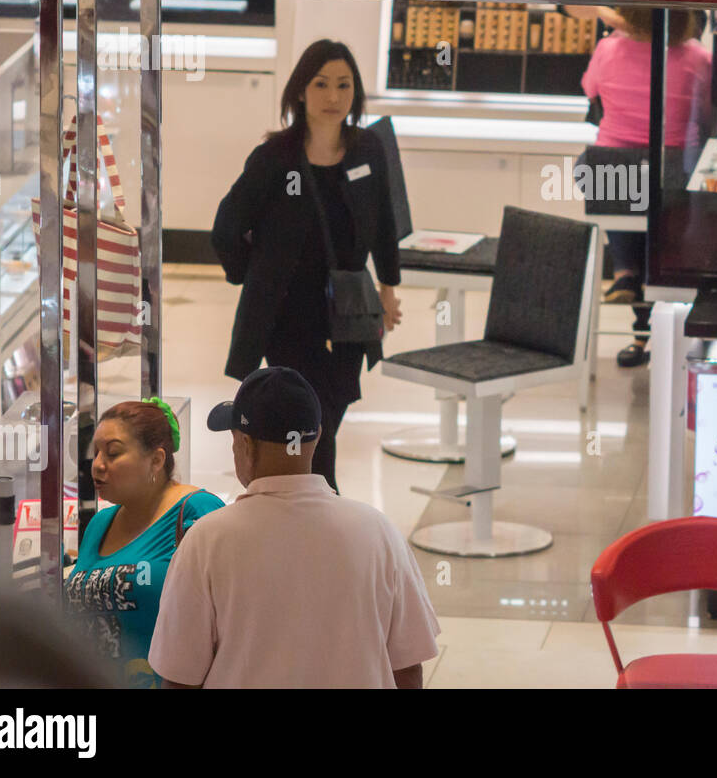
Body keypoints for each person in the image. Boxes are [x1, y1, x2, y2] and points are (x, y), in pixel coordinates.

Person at [149, 367, 441, 688]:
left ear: (244, 443)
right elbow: (408, 669)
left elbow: (179, 679)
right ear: (315, 436)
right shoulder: (379, 533)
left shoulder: (206, 542)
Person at [212, 39, 403, 493]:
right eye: (321, 85)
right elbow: (226, 227)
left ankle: (312, 505)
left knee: (330, 413)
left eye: (344, 85)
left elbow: (385, 223)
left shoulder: (368, 150)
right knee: (314, 421)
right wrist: (253, 274)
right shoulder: (275, 159)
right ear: (300, 91)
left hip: (348, 316)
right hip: (288, 318)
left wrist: (389, 288)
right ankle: (325, 504)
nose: (334, 97)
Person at [580, 7, 711, 367]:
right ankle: (659, 333)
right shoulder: (699, 58)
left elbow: (590, 90)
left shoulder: (608, 49)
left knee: (620, 208)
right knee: (662, 245)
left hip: (610, 172)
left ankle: (625, 274)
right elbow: (707, 111)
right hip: (674, 174)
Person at [64, 399, 223, 688]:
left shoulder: (197, 510)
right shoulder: (100, 523)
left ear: (157, 460)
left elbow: (226, 623)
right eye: (96, 452)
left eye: (113, 453)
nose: (98, 465)